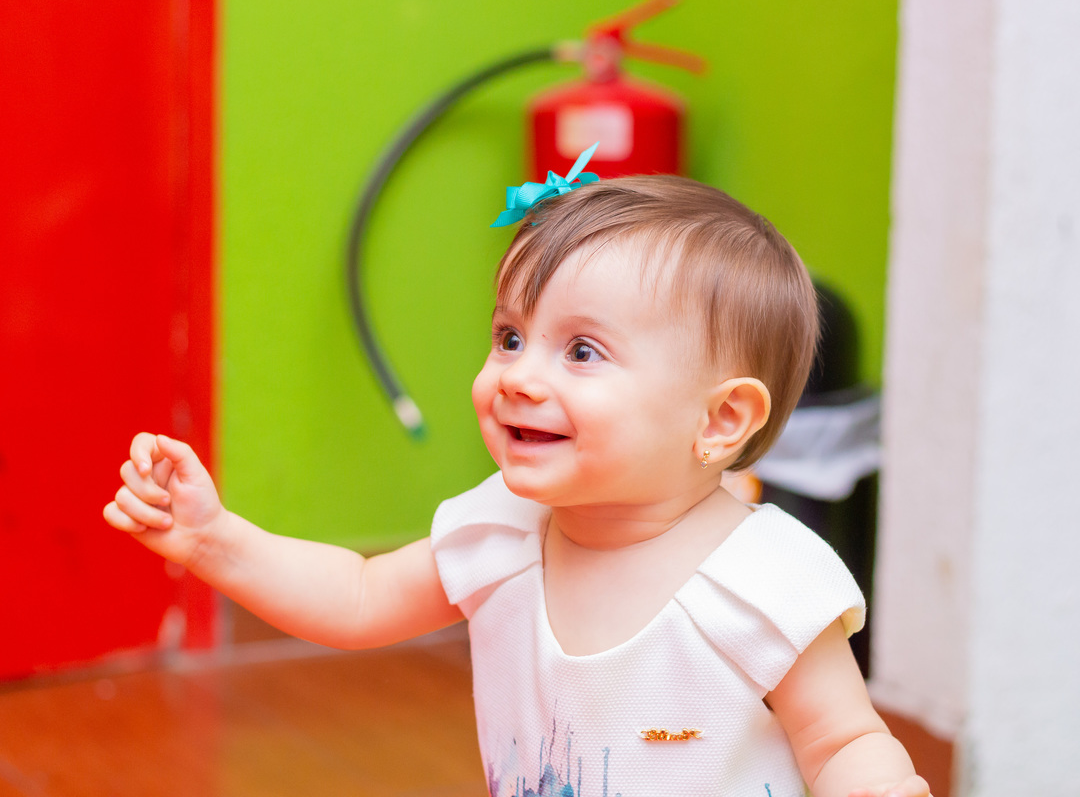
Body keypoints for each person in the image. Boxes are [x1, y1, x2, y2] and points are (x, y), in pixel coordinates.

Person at [105, 153, 931, 797]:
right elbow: (358, 598)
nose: (520, 376)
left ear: (718, 422)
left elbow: (842, 740)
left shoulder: (762, 583)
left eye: (581, 351)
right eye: (509, 337)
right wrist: (214, 539)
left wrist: (879, 783)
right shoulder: (500, 530)